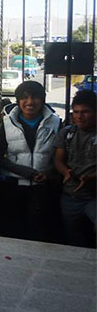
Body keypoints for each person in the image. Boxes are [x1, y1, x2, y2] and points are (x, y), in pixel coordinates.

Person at [0, 81, 61, 241]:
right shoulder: (7, 123)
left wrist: (48, 174)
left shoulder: (55, 122)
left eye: (35, 97)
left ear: (42, 100)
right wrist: (25, 172)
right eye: (24, 98)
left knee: (38, 229)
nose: (30, 102)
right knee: (14, 228)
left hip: (43, 186)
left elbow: (60, 156)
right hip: (13, 185)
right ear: (18, 100)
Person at [53, 90, 96, 247]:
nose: (79, 116)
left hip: (93, 196)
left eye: (85, 112)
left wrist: (91, 177)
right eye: (76, 112)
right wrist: (65, 171)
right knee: (72, 238)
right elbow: (58, 159)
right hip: (71, 196)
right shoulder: (67, 133)